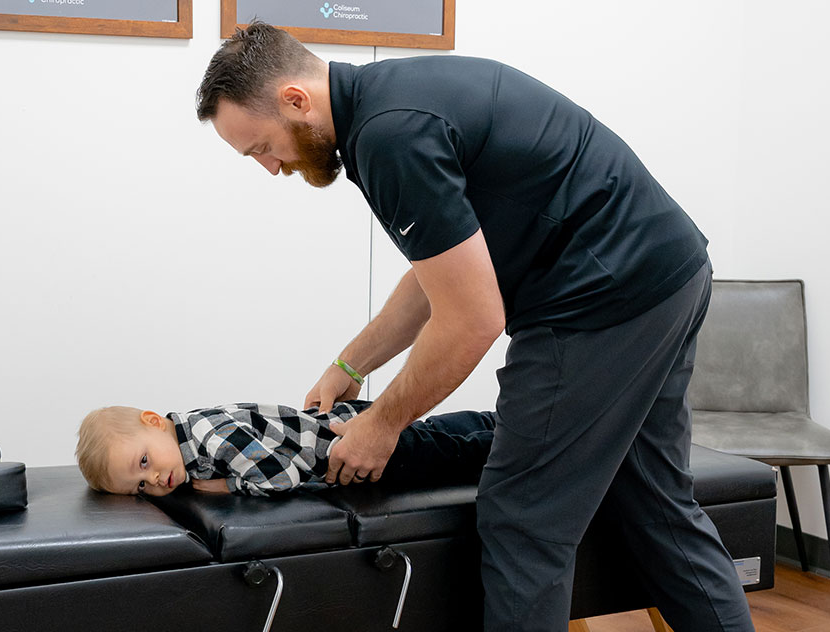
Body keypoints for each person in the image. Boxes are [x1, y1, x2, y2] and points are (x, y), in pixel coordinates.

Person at [195, 21, 754, 632]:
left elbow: (472, 319)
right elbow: (441, 272)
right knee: (655, 503)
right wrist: (351, 364)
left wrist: (382, 425)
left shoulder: (389, 136)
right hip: (668, 273)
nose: (271, 169)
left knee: (523, 518)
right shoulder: (392, 101)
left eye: (262, 148)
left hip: (600, 302)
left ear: (295, 101)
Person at [76, 400, 495, 496]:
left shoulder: (208, 437)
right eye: (141, 486)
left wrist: (225, 487)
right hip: (351, 424)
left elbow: (280, 477)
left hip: (359, 448)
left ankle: (520, 443)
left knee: (453, 459)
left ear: (154, 421)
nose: (153, 479)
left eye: (144, 462)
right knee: (436, 434)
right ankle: (491, 421)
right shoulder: (186, 436)